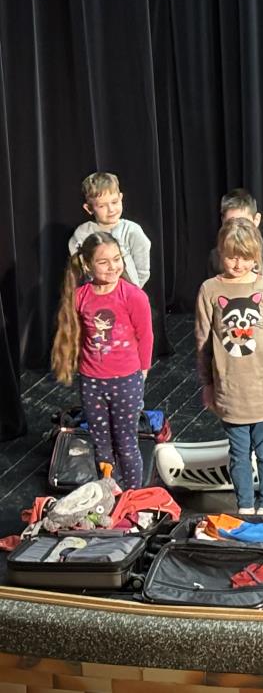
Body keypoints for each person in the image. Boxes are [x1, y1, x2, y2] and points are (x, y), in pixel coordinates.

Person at [196, 218, 263, 515]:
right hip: (232, 390)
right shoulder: (210, 290)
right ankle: (245, 508)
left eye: (245, 257)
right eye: (231, 256)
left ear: (256, 255)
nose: (238, 264)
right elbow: (203, 342)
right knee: (238, 453)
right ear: (220, 253)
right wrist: (207, 384)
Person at [51, 231, 152, 488]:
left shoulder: (133, 296)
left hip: (126, 381)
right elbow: (77, 334)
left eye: (117, 259)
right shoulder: (81, 297)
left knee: (126, 442)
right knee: (101, 444)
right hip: (93, 382)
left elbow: (145, 335)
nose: (113, 266)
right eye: (103, 262)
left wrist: (142, 372)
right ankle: (109, 491)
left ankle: (132, 496)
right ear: (87, 265)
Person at [68, 172, 152, 288]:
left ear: (121, 198)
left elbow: (142, 272)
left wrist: (131, 290)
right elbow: (77, 270)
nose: (111, 209)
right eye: (102, 206)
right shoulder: (82, 233)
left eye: (114, 202)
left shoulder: (132, 231)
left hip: (126, 294)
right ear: (89, 208)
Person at [206, 188, 263, 302]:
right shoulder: (215, 256)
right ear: (223, 221)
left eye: (244, 222)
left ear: (256, 220)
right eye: (231, 222)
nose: (237, 228)